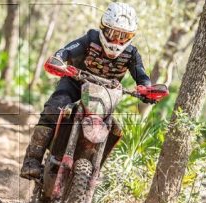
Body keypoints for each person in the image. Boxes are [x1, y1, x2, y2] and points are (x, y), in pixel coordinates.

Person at [20, 2, 154, 180]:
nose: (116, 40)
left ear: (131, 37)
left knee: (114, 128)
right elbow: (67, 50)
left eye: (123, 36)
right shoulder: (91, 38)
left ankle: (95, 172)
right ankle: (32, 161)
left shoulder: (131, 54)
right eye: (113, 33)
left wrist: (146, 89)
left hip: (105, 94)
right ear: (103, 29)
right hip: (75, 83)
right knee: (54, 108)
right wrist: (58, 59)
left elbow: (142, 75)